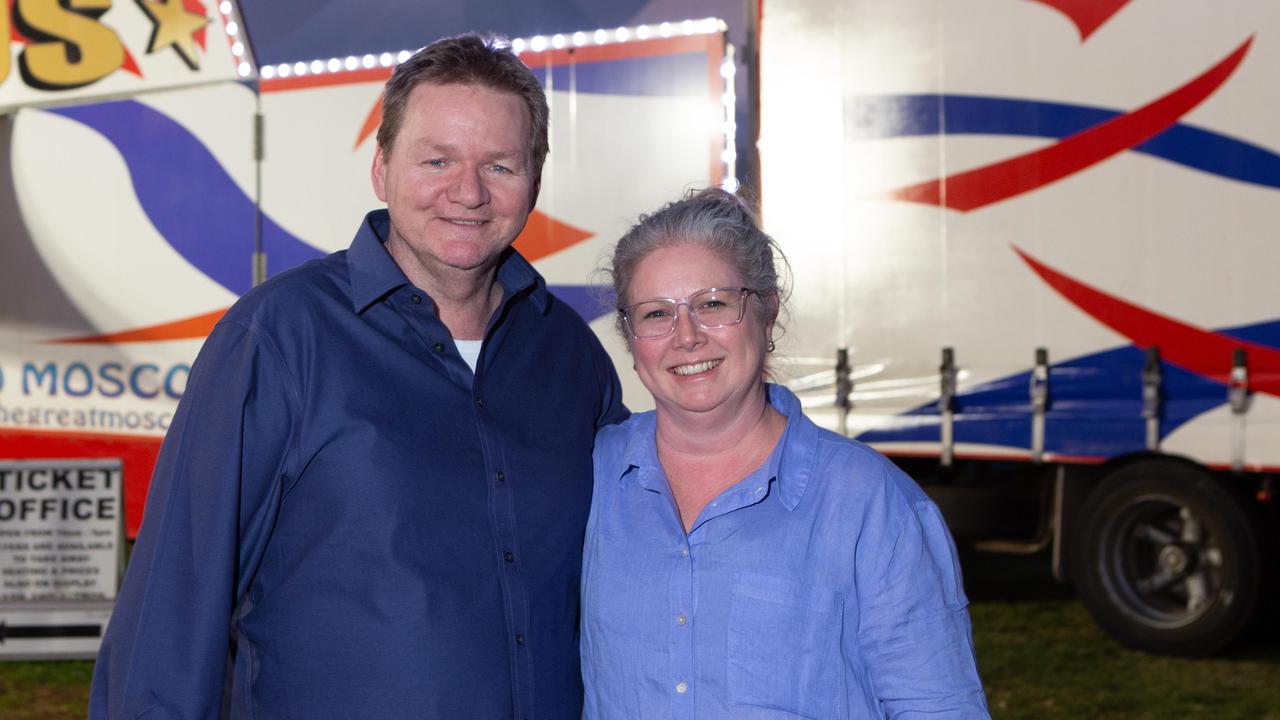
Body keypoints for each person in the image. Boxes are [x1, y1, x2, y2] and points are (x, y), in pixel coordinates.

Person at [91, 34, 626, 719]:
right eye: (437, 160)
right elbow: (174, 606)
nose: (467, 192)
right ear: (381, 170)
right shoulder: (281, 336)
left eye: (500, 165)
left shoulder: (570, 358)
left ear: (535, 181)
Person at [580, 188, 988, 718]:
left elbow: (938, 708)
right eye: (656, 313)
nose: (687, 337)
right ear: (630, 338)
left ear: (766, 313)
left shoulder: (868, 503)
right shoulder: (590, 477)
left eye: (712, 304)